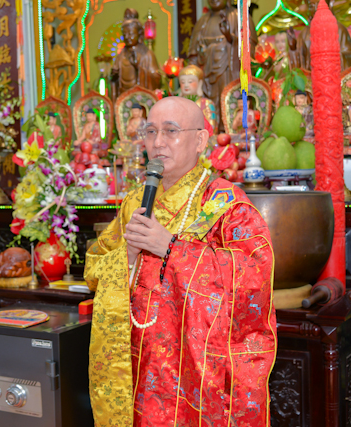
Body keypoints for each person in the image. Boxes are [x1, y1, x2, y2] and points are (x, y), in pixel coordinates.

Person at [84, 96, 277, 426]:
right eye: (150, 132)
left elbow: (254, 277)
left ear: (200, 140)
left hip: (196, 372)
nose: (158, 142)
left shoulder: (225, 203)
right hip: (137, 364)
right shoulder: (135, 202)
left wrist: (170, 248)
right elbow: (93, 269)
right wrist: (126, 256)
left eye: (170, 131)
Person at [187, 0, 257, 132]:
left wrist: (231, 40)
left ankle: (230, 132)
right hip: (207, 77)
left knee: (229, 105)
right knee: (209, 109)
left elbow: (250, 49)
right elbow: (193, 56)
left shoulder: (240, 17)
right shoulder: (202, 22)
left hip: (230, 72)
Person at [287, 0, 351, 71]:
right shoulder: (304, 33)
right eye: (311, 6)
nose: (316, 9)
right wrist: (293, 49)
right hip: (312, 75)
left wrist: (331, 56)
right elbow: (300, 65)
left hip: (333, 74)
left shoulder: (338, 29)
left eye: (318, 4)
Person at [110, 8, 162, 102]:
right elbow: (115, 80)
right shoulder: (121, 55)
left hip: (141, 99)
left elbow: (157, 78)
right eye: (124, 34)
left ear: (139, 34)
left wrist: (139, 67)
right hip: (124, 98)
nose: (127, 37)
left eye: (131, 34)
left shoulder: (147, 54)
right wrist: (114, 75)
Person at [178, 65, 218, 131]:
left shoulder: (206, 104)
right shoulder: (177, 105)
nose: (186, 85)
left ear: (199, 83)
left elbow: (212, 128)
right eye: (183, 82)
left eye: (190, 82)